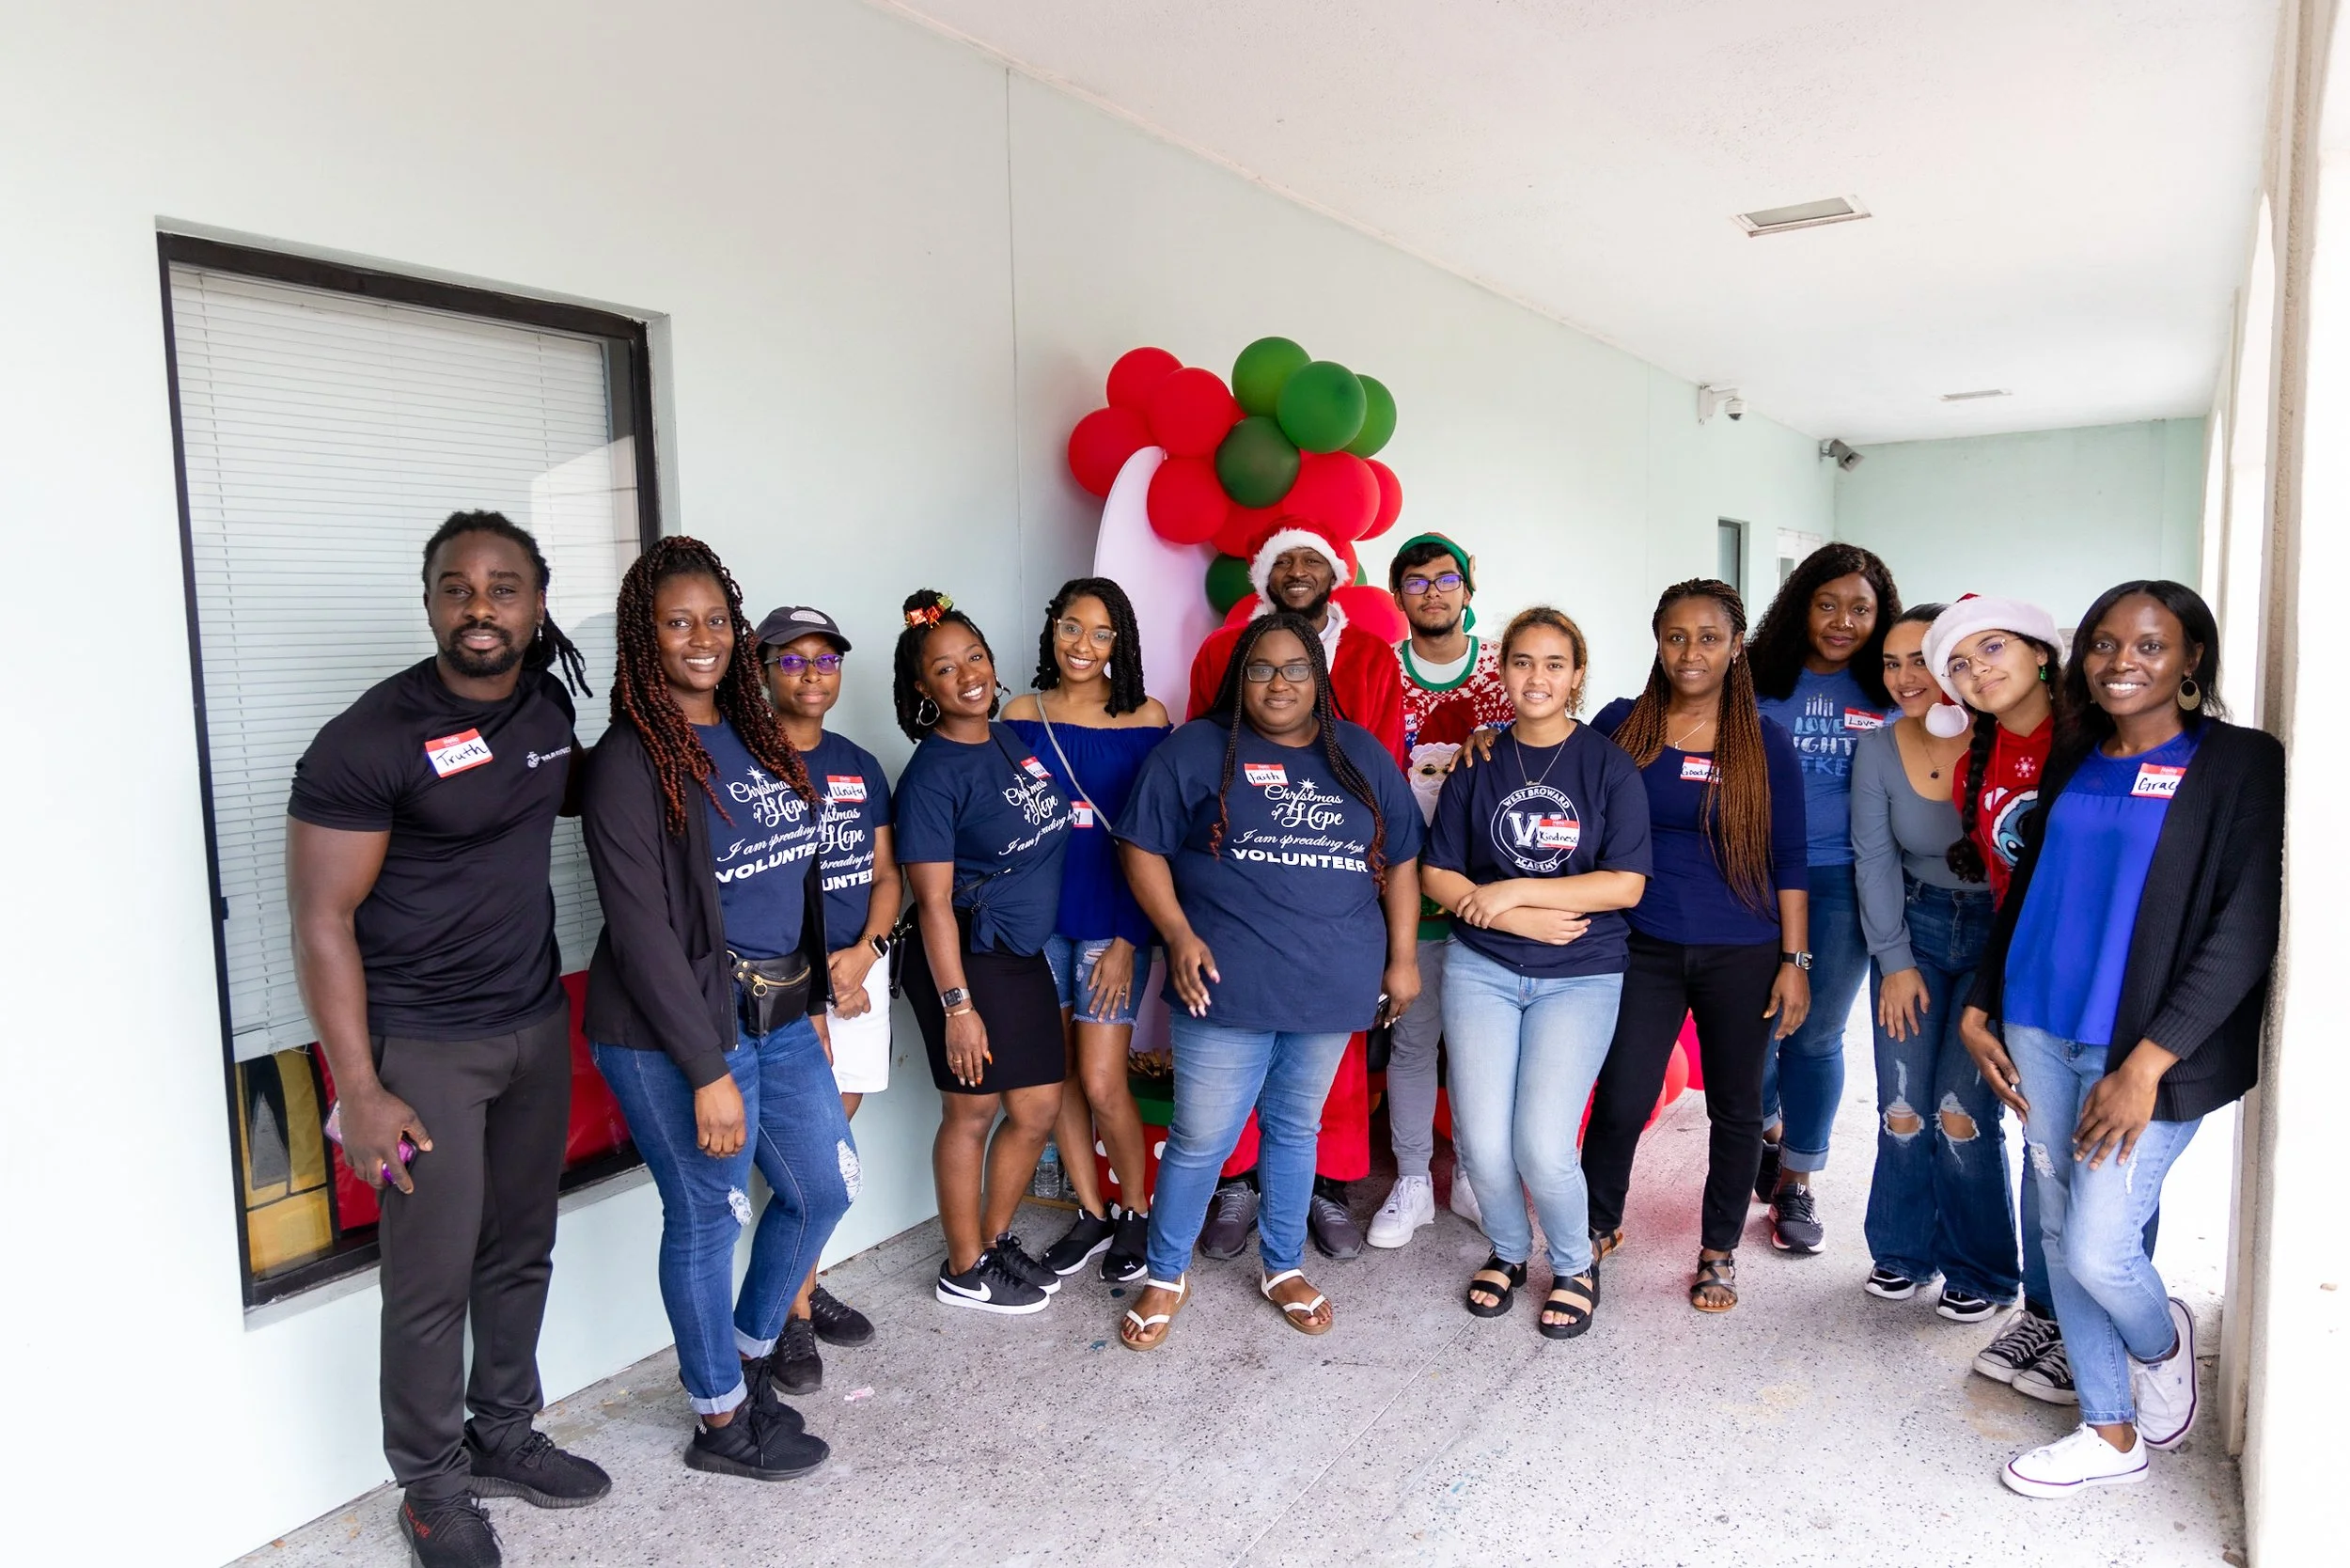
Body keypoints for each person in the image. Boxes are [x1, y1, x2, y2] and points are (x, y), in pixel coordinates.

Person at [287, 510, 610, 1568]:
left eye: (502, 588)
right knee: (430, 1283)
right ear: (429, 602)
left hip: (532, 1025)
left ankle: (503, 1432)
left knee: (521, 1247)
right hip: (422, 1047)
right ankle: (430, 1489)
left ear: (537, 603)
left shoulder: (545, 705)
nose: (480, 607)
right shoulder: (367, 739)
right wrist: (359, 1087)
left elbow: (569, 789)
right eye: (457, 588)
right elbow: (321, 919)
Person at [1959, 582, 2280, 1498]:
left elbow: (2244, 926)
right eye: (2103, 643)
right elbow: (2034, 883)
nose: (2121, 662)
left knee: (2100, 1246)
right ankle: (2107, 1431)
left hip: (2139, 1049)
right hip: (2037, 1023)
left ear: (2190, 658)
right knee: (2061, 1231)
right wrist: (1982, 1001)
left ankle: (2160, 1340)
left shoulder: (2237, 763)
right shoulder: (2077, 752)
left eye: (2148, 645)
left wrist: (2147, 1065)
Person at [583, 538, 850, 1482]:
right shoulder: (630, 761)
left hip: (779, 1014)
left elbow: (794, 881)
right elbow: (643, 932)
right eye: (677, 622)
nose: (701, 638)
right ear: (644, 637)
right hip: (680, 1031)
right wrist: (706, 1070)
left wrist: (813, 1000)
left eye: (715, 620)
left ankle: (745, 1357)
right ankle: (720, 1420)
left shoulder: (756, 733)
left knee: (823, 1188)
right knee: (708, 1215)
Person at [1114, 613, 1423, 1349]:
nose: (1278, 684)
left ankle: (1282, 1266)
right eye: (1260, 669)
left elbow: (1405, 856)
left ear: (1318, 678)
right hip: (1224, 984)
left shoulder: (1358, 753)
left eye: (1294, 669)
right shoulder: (1197, 748)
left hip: (1330, 982)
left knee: (1294, 1128)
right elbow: (1140, 846)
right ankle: (1165, 1273)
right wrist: (1177, 933)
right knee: (1201, 1136)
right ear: (1238, 678)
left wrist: (1403, 958)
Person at [1578, 579, 1810, 1313]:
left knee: (1736, 1108)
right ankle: (1596, 1226)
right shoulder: (1623, 724)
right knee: (1622, 1095)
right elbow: (1551, 767)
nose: (1690, 653)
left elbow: (1791, 860)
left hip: (1744, 950)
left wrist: (1794, 962)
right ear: (1657, 642)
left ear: (1736, 647)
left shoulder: (1765, 742)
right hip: (1641, 943)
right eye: (1676, 636)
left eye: (1709, 638)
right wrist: (1490, 741)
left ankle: (1718, 1250)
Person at [1421, 608, 1650, 1337]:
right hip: (1483, 967)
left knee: (1543, 1146)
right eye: (1523, 662)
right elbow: (1436, 873)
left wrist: (1514, 892)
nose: (1538, 677)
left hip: (1580, 974)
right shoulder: (1479, 761)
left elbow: (1625, 885)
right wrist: (1510, 919)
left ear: (1576, 676)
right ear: (1503, 671)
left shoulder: (1608, 766)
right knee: (1483, 1144)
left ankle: (1576, 1265)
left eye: (1555, 663)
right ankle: (1510, 1251)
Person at [1185, 517, 1406, 1259]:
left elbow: (1385, 765)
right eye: (1285, 561)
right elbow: (1202, 753)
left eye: (1314, 558)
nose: (1300, 571)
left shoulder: (1370, 655)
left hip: (1340, 876)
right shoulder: (1221, 650)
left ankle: (1326, 1185)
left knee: (1327, 1048)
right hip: (1246, 880)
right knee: (1239, 1035)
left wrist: (1373, 875)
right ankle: (1238, 1181)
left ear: (1336, 573)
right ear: (1264, 575)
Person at [1919, 593, 2085, 1402]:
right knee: (2041, 1149)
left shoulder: (2095, 743)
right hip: (2026, 979)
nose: (1976, 671)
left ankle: (2095, 1332)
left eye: (1991, 648)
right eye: (1958, 664)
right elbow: (2002, 895)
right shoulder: (1978, 763)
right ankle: (2045, 1314)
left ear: (2041, 652)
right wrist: (1990, 996)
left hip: (2100, 979)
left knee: (2097, 1159)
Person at [890, 589, 1074, 1314]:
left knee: (1037, 1106)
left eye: (974, 656)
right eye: (945, 667)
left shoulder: (1005, 739)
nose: (967, 674)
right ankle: (963, 1268)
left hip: (1017, 952)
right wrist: (957, 1007)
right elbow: (933, 901)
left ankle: (991, 1242)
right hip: (964, 954)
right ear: (923, 688)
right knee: (971, 1111)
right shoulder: (931, 775)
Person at [1851, 604, 2018, 1323]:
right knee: (1903, 1106)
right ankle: (1902, 1250)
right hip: (1913, 927)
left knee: (1962, 1110)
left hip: (1997, 933)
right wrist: (1893, 960)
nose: (1904, 677)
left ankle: (1982, 1269)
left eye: (1920, 658)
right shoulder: (1879, 749)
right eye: (1891, 663)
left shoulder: (2006, 739)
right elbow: (1873, 860)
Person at [1002, 578, 1172, 1283]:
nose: (1083, 644)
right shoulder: (1019, 714)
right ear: (1053, 630)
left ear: (1119, 643)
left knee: (1102, 1080)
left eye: (1101, 633)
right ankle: (1093, 1211)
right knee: (1060, 1072)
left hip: (1112, 921)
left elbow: (1157, 834)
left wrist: (1131, 939)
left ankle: (1135, 1211)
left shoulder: (1146, 717)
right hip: (1039, 924)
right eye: (1072, 627)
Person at [755, 604, 900, 1395]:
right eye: (791, 660)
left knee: (830, 1152)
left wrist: (866, 953)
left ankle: (800, 1290)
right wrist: (816, 981)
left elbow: (886, 876)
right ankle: (791, 1313)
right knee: (809, 1160)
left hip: (858, 976)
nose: (812, 674)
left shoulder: (857, 764)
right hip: (786, 986)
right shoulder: (744, 760)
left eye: (825, 659)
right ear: (761, 672)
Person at [1747, 543, 1901, 1253]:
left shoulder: (1891, 688)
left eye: (1860, 609)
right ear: (1800, 607)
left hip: (1844, 881)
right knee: (1749, 1030)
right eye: (1828, 604)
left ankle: (1798, 1181)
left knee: (1813, 1034)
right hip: (1752, 874)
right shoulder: (1754, 678)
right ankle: (1769, 1129)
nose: (1843, 621)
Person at [1371, 532, 1514, 1249]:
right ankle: (1412, 1182)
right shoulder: (1381, 670)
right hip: (1405, 888)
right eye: (1417, 581)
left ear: (1468, 586)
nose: (1433, 592)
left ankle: (1473, 1179)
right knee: (1414, 1039)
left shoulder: (1501, 666)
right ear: (1398, 593)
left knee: (1480, 1048)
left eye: (1445, 578)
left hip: (1490, 890)